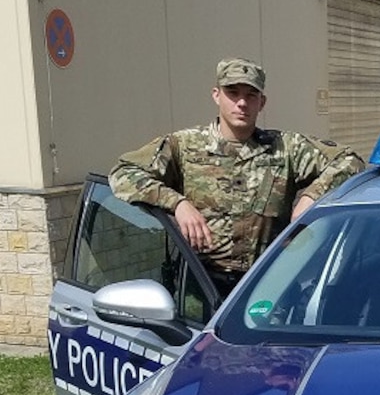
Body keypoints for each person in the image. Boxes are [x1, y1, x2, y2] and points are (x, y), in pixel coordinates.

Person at [109, 57, 365, 294]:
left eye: (251, 95)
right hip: (201, 286)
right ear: (216, 95)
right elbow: (123, 173)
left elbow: (350, 160)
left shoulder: (286, 148)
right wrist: (178, 203)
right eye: (233, 93)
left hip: (268, 284)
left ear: (261, 102)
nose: (242, 103)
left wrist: (311, 197)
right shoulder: (184, 145)